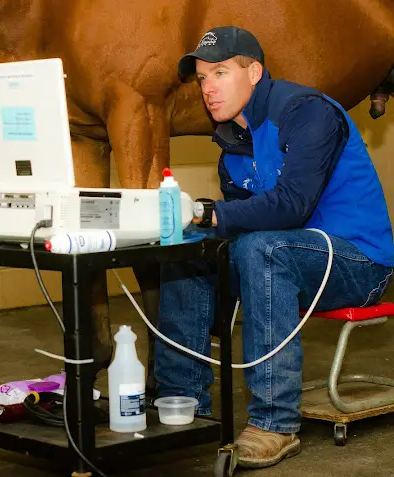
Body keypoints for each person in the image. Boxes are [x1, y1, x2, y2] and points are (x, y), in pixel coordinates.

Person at [153, 26, 394, 469]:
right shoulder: (231, 143)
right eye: (203, 77)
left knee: (262, 248)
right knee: (187, 248)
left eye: (221, 73)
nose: (208, 87)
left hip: (359, 262)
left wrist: (211, 213)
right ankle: (180, 403)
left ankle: (274, 423)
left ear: (255, 72)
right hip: (288, 255)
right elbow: (242, 223)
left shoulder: (308, 113)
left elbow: (292, 206)